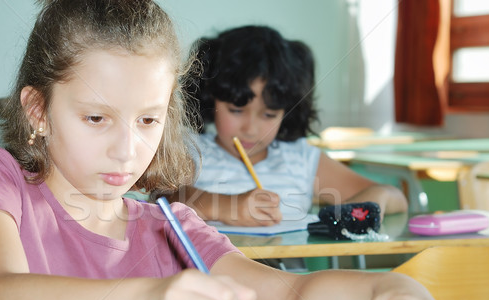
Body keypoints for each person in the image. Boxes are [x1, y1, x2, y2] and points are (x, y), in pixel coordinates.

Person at [0, 0, 473, 300]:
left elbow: (289, 293)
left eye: (148, 120)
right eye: (95, 118)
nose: (127, 149)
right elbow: (3, 299)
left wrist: (393, 292)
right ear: (37, 110)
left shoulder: (170, 227)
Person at [171, 26, 408, 227]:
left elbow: (395, 197)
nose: (251, 129)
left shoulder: (301, 159)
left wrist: (374, 201)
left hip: (293, 279)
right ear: (211, 100)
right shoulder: (191, 151)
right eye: (236, 110)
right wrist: (224, 207)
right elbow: (166, 199)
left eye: (269, 114)